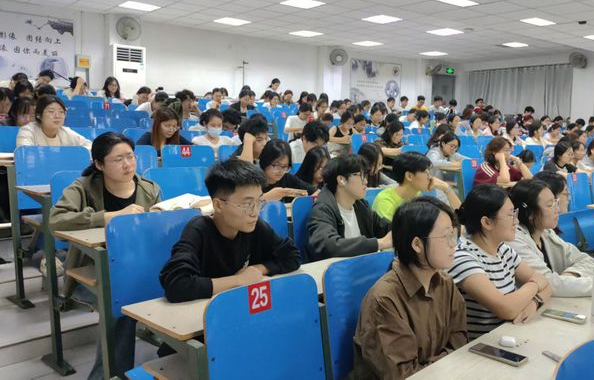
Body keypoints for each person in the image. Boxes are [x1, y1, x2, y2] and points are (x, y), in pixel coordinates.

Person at [49, 132, 161, 379]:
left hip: (140, 267)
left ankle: (171, 356)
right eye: (118, 159)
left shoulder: (149, 189)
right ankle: (107, 376)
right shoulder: (82, 187)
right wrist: (106, 217)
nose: (127, 164)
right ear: (99, 164)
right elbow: (56, 220)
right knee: (121, 302)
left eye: (130, 156)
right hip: (92, 272)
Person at [352, 197, 467, 379]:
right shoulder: (384, 300)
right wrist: (447, 362)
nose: (454, 244)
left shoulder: (446, 284)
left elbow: (460, 344)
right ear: (417, 245)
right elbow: (402, 375)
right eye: (446, 236)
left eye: (453, 235)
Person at [159, 158, 301, 302]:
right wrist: (238, 280)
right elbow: (176, 285)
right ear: (218, 205)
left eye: (259, 202)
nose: (255, 212)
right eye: (247, 204)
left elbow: (292, 256)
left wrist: (259, 269)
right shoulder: (198, 229)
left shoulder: (254, 225)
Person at [447, 185, 552, 339]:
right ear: (487, 222)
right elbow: (507, 309)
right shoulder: (463, 257)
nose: (516, 221)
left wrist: (534, 303)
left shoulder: (503, 249)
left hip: (509, 334)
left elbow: (547, 285)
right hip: (480, 345)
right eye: (510, 215)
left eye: (515, 213)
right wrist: (535, 284)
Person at [509, 179, 594, 298]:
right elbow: (546, 283)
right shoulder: (515, 241)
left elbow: (585, 259)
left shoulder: (546, 233)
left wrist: (570, 275)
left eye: (556, 202)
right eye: (550, 205)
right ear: (530, 213)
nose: (557, 210)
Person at [307, 155, 392, 261]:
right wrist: (379, 243)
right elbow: (328, 245)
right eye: (361, 176)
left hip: (362, 264)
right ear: (341, 180)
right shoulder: (322, 209)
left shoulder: (361, 205)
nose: (365, 181)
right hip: (338, 268)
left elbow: (384, 227)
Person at [373, 152, 460, 221]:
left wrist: (446, 188)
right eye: (426, 172)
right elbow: (393, 236)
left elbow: (460, 216)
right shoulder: (385, 202)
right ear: (409, 176)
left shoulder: (419, 195)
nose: (430, 177)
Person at [16, 96, 91, 150]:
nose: (57, 116)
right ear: (39, 115)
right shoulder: (27, 130)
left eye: (61, 112)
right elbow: (25, 152)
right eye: (51, 111)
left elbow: (89, 145)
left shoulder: (65, 132)